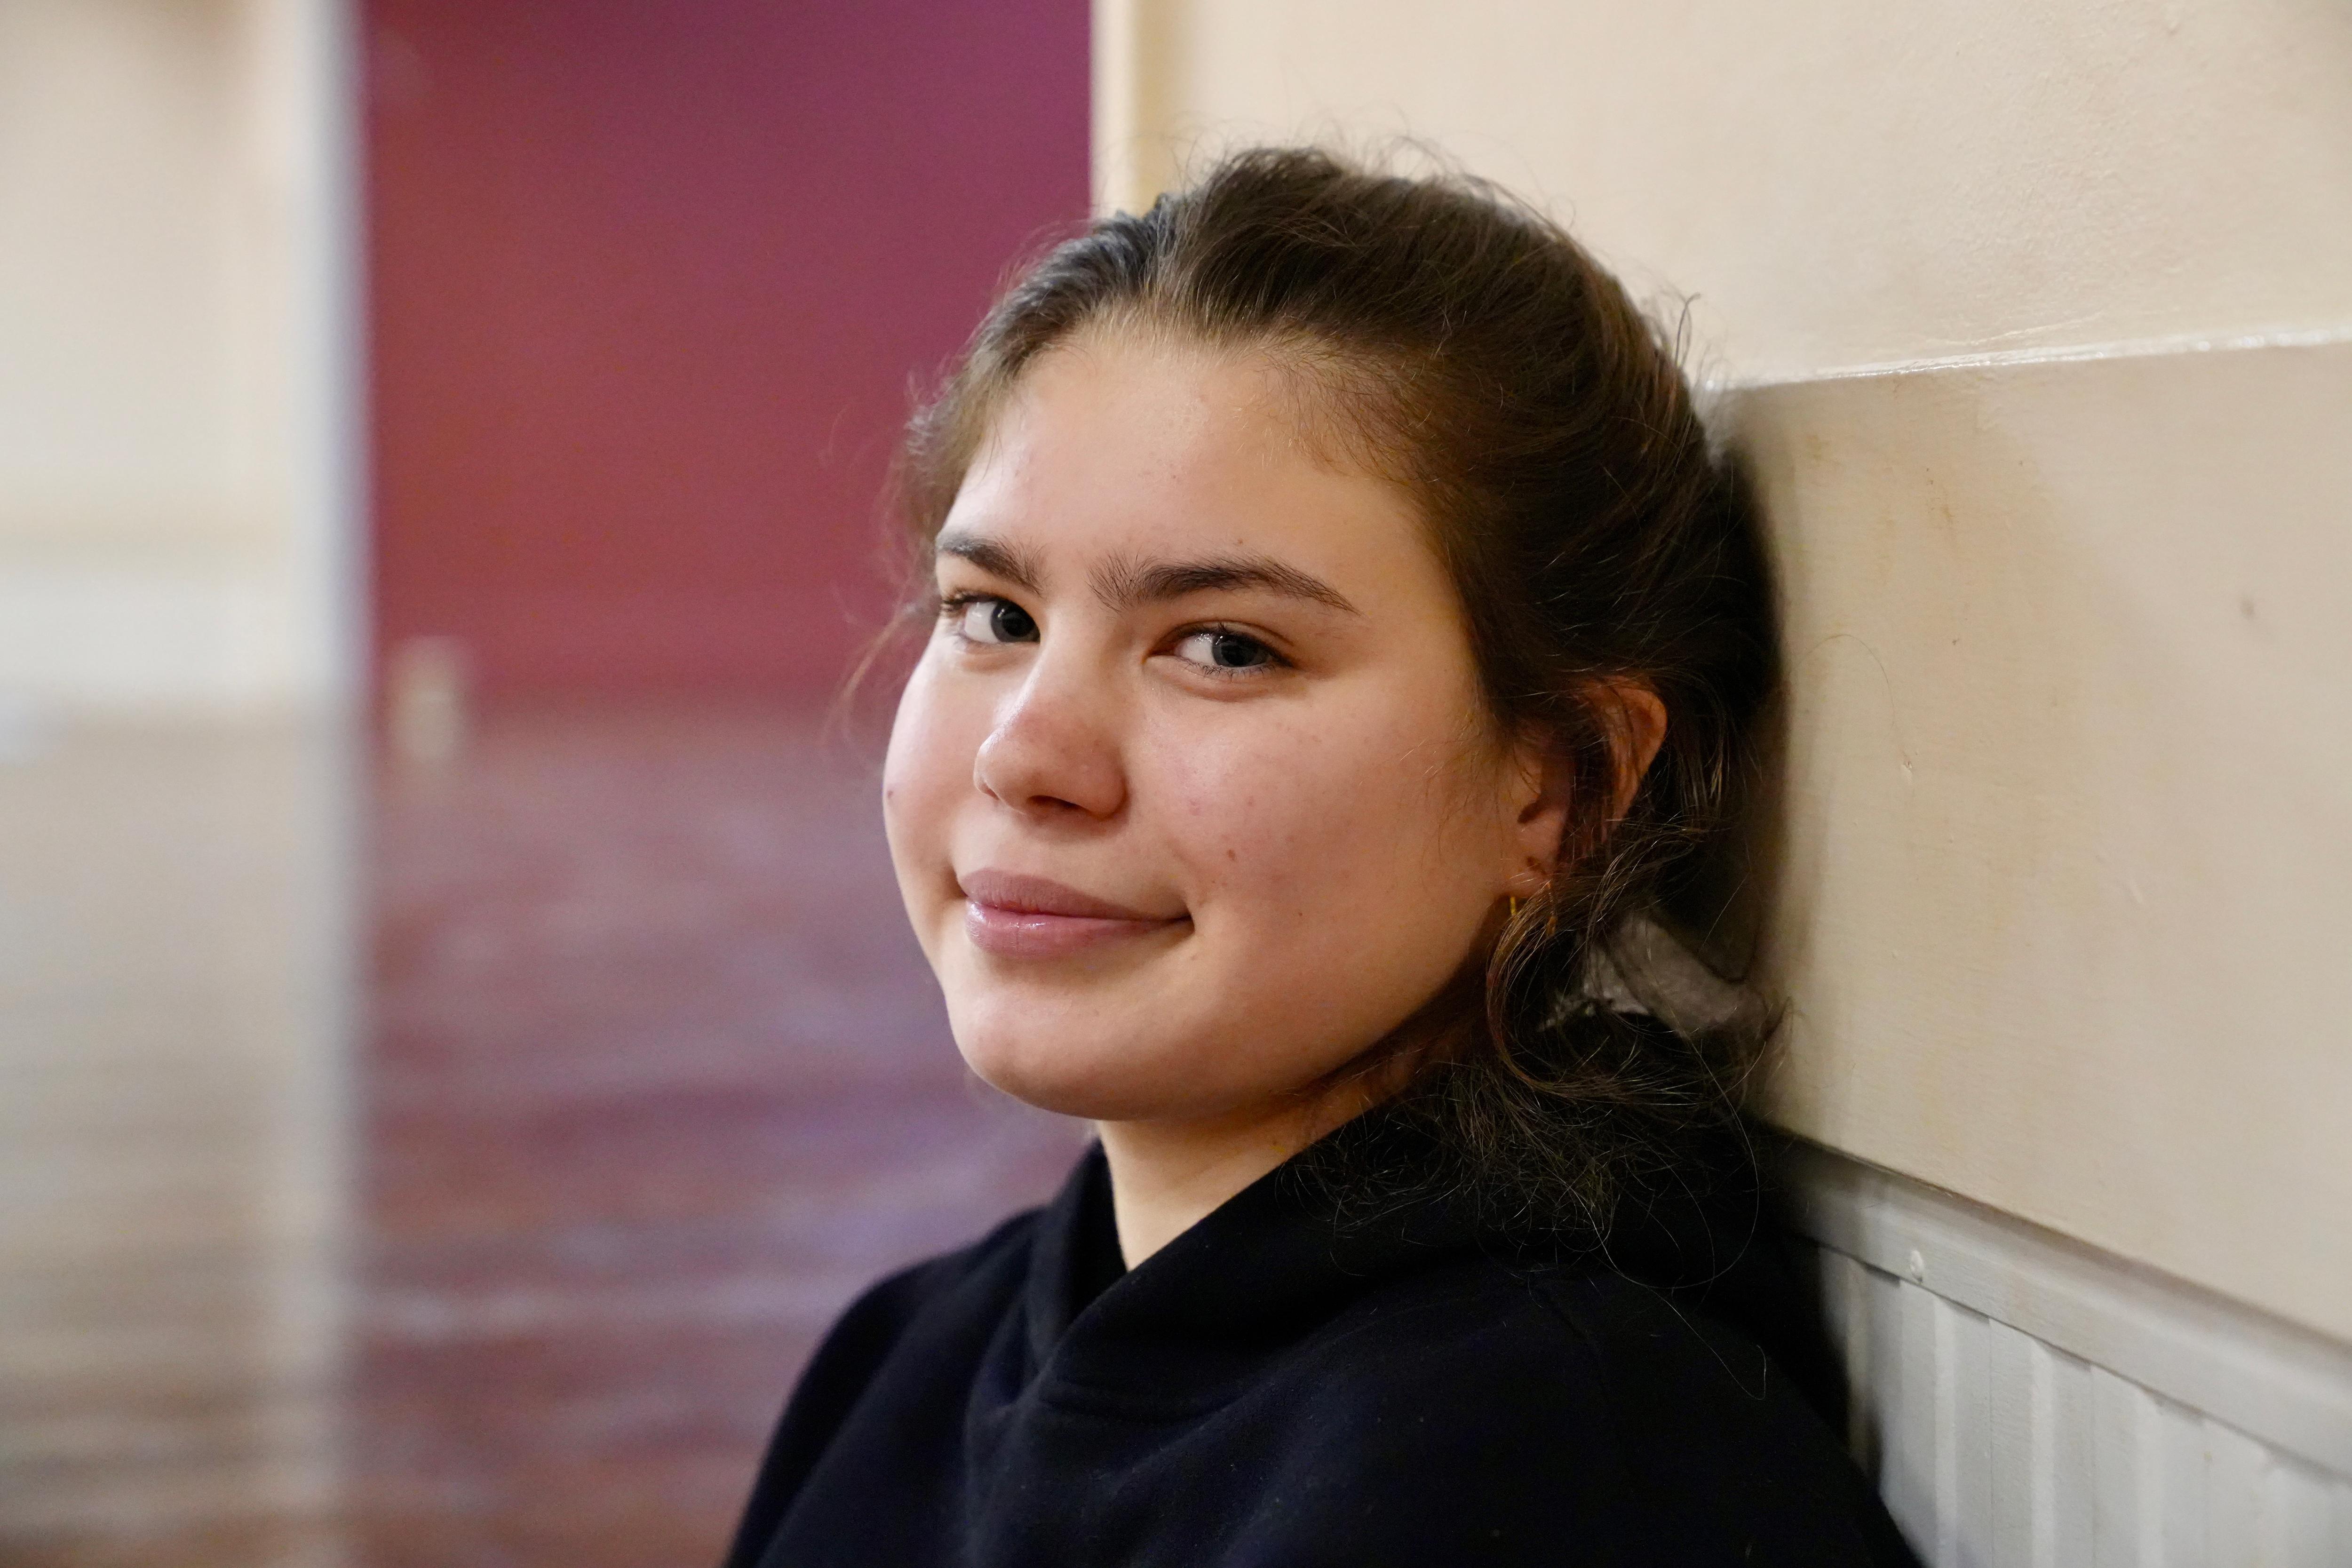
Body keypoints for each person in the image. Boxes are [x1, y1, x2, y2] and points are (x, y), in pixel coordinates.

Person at [724, 147, 1919, 1567]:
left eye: (1224, 647)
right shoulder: (908, 1365)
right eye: (993, 615)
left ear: (1562, 787)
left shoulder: (1555, 1467)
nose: (1026, 758)